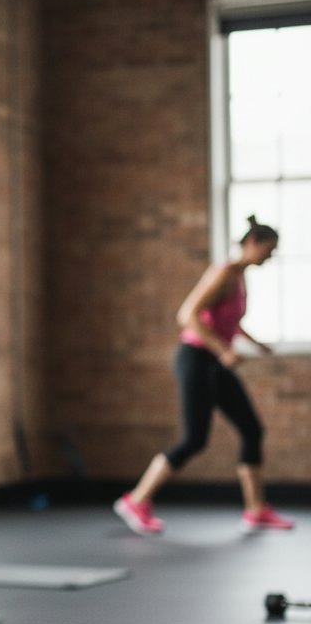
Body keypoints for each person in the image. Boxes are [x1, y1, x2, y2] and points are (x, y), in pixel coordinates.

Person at [114, 216, 296, 536]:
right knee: (194, 440)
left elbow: (228, 321)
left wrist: (255, 343)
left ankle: (256, 510)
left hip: (213, 362)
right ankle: (135, 500)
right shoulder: (223, 273)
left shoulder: (240, 278)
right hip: (196, 359)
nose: (269, 257)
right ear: (251, 243)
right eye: (268, 250)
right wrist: (223, 350)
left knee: (251, 429)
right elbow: (187, 314)